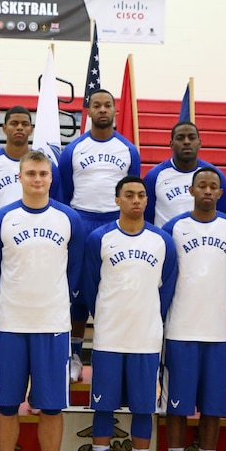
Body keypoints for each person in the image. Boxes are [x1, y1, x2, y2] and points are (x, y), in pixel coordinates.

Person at [0, 150, 83, 451]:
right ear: (20, 177)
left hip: (52, 325)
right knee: (6, 404)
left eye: (43, 173)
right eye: (31, 173)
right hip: (11, 325)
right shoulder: (0, 221)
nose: (37, 179)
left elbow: (75, 271)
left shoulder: (69, 219)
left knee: (51, 406)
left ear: (52, 178)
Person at [77, 175, 176, 451]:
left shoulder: (162, 241)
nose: (136, 200)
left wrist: (147, 317)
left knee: (143, 409)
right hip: (108, 338)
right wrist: (107, 314)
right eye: (129, 195)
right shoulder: (99, 238)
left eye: (141, 195)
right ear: (117, 199)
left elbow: (168, 289)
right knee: (103, 406)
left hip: (145, 339)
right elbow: (91, 288)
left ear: (147, 201)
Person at [159, 167, 226, 451]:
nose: (208, 191)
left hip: (219, 330)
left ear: (221, 193)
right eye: (202, 186)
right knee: (176, 408)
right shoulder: (173, 228)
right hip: (180, 328)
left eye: (214, 186)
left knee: (213, 408)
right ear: (191, 190)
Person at [0, 106, 61, 410]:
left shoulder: (43, 166)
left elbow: (54, 202)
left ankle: (38, 389)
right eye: (14, 123)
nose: (20, 128)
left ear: (31, 130)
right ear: (4, 128)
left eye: (25, 123)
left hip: (37, 253)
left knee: (34, 326)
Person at [58, 89, 142, 383]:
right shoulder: (74, 149)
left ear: (115, 111)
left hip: (114, 223)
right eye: (97, 105)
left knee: (116, 290)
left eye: (108, 105)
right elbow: (65, 192)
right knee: (79, 293)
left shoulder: (128, 150)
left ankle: (112, 352)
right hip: (82, 221)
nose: (103, 109)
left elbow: (133, 189)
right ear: (88, 111)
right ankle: (75, 354)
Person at [144, 121, 226, 228]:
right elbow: (147, 217)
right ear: (171, 144)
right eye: (180, 138)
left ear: (199, 143)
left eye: (191, 137)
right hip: (167, 241)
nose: (186, 142)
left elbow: (222, 216)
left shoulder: (215, 176)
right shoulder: (154, 177)